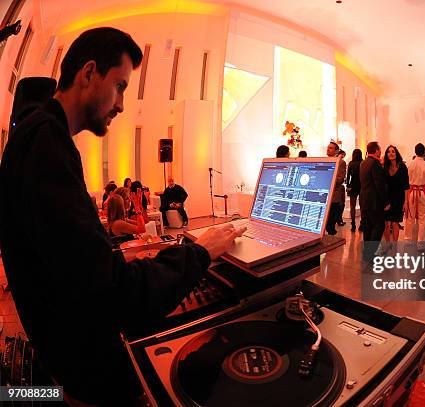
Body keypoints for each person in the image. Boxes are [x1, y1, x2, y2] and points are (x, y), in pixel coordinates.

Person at [0, 27, 245, 405]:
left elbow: (77, 263)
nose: (121, 104)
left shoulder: (40, 136)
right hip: (87, 376)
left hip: (69, 359)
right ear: (88, 73)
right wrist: (200, 253)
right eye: (119, 86)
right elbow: (112, 292)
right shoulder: (45, 144)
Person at [359, 141, 388, 262]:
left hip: (364, 200)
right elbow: (379, 184)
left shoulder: (363, 163)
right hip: (374, 202)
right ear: (376, 151)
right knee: (378, 227)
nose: (380, 152)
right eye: (379, 149)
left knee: (367, 227)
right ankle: (371, 254)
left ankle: (367, 253)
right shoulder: (375, 163)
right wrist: (386, 201)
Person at [405, 143, 425, 250]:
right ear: (424, 152)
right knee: (423, 218)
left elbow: (405, 180)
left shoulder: (409, 164)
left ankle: (407, 240)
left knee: (409, 216)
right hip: (422, 192)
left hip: (411, 191)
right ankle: (421, 244)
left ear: (415, 151)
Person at [382, 146, 409, 243]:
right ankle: (388, 243)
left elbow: (406, 185)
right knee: (386, 223)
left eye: (393, 151)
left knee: (395, 223)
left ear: (396, 153)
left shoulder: (402, 167)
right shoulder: (385, 167)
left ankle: (394, 245)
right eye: (388, 152)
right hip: (387, 199)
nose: (391, 153)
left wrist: (406, 202)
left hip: (398, 199)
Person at [325, 142, 346, 235]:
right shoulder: (324, 161)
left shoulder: (341, 162)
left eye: (331, 148)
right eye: (328, 147)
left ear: (336, 151)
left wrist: (329, 176)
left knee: (331, 223)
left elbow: (340, 179)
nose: (328, 149)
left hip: (333, 196)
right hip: (324, 195)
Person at [346, 149, 363, 232]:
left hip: (353, 185)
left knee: (352, 206)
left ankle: (353, 224)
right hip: (361, 185)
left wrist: (348, 186)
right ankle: (362, 223)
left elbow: (348, 176)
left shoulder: (351, 164)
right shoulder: (362, 163)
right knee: (362, 206)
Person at [336, 150, 347, 226]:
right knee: (341, 204)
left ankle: (338, 219)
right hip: (338, 187)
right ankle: (339, 219)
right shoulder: (342, 162)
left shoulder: (334, 160)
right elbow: (341, 178)